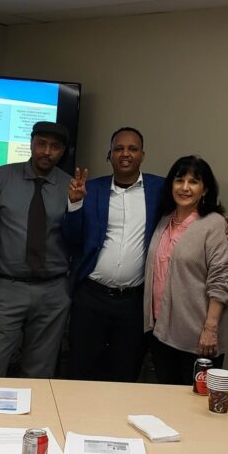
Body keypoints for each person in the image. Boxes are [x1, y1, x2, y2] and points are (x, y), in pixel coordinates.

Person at [63, 127, 165, 382]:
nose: (125, 153)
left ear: (142, 155)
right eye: (118, 148)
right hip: (91, 296)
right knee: (80, 369)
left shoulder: (159, 189)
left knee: (125, 372)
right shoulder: (91, 189)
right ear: (109, 155)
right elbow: (71, 240)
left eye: (132, 148)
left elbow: (191, 208)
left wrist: (225, 222)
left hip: (133, 302)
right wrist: (75, 203)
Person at [0, 121, 71, 378]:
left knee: (39, 372)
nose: (47, 152)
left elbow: (75, 237)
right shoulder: (2, 177)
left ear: (62, 151)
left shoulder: (69, 186)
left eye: (55, 147)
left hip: (52, 290)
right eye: (41, 144)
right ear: (31, 143)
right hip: (7, 286)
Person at [144, 155, 228, 385]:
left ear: (205, 190)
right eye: (179, 180)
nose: (185, 187)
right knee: (166, 399)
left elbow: (223, 279)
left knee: (196, 403)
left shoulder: (214, 224)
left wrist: (210, 329)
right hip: (161, 333)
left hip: (197, 339)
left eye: (194, 182)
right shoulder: (165, 220)